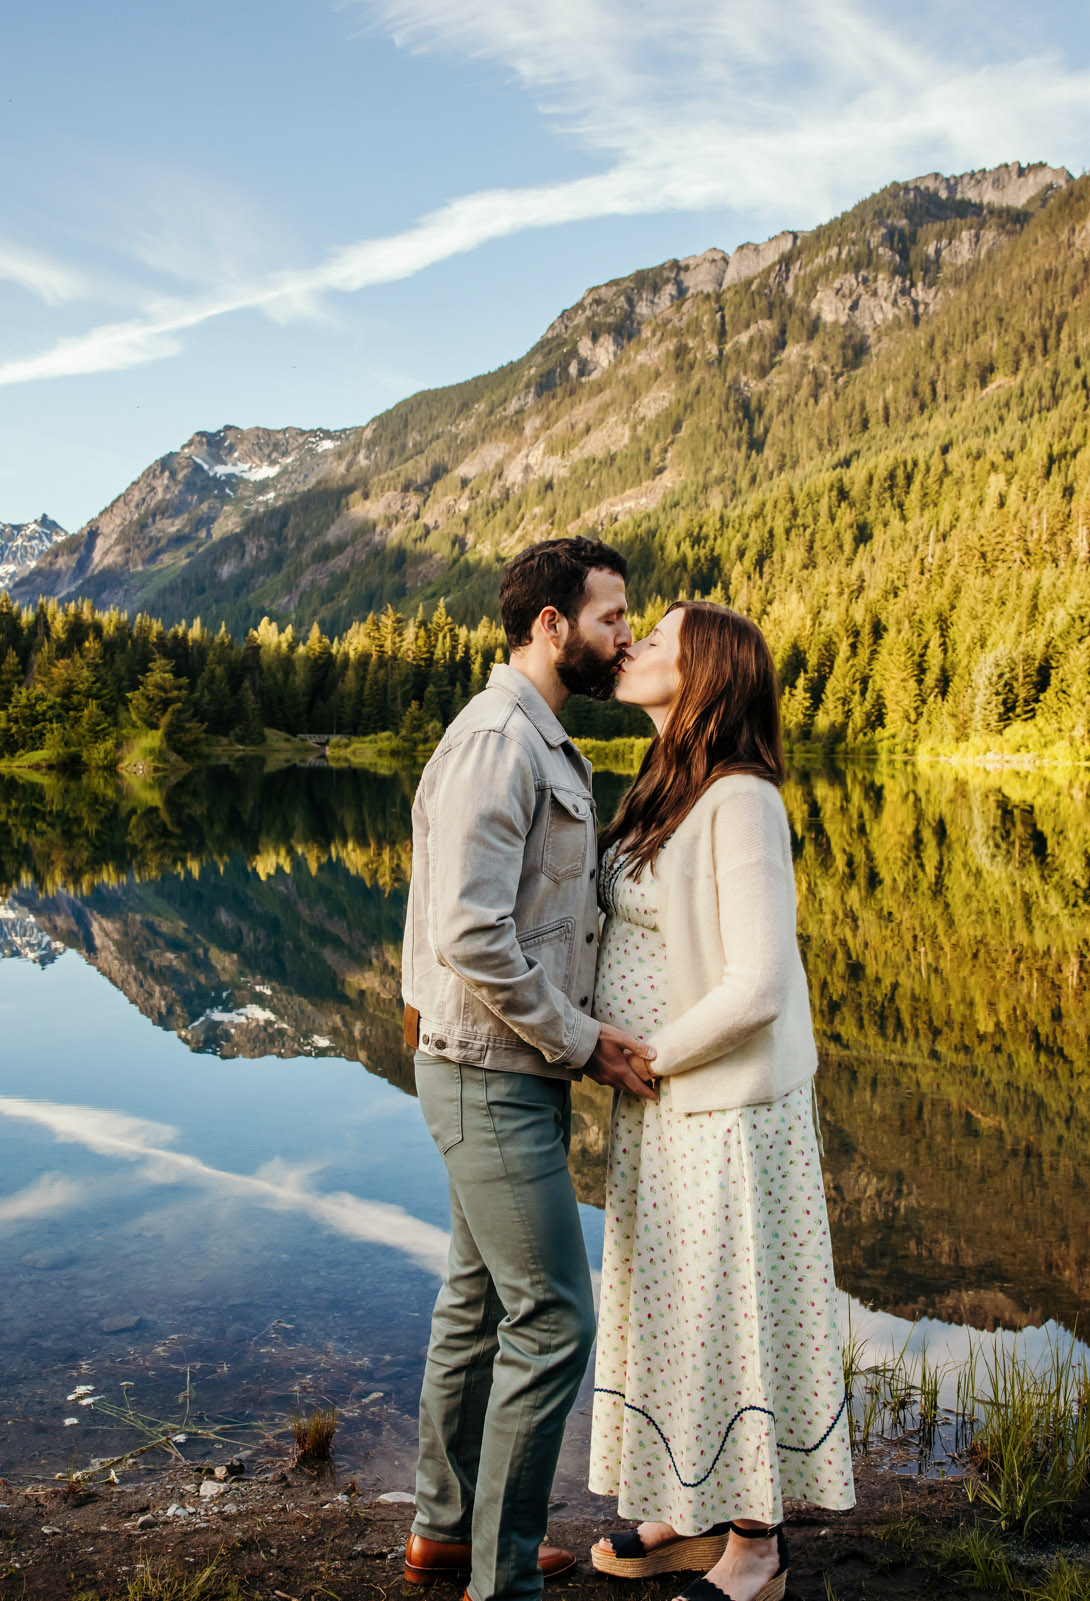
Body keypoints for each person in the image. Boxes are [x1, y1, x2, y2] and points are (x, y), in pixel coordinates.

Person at [400, 536, 663, 1601]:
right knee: (556, 1316)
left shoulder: (540, 740)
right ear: (550, 624)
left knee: (477, 1302)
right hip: (489, 1068)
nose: (625, 635)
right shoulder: (498, 741)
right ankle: (501, 1578)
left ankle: (448, 1531)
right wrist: (585, 1038)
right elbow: (469, 931)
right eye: (611, 617)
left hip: (504, 1065)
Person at [582, 602, 853, 1601]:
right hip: (661, 1108)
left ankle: (755, 1538)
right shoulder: (666, 786)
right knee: (672, 1309)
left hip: (724, 1108)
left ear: (705, 676)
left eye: (659, 639)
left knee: (733, 1309)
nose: (637, 646)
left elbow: (759, 984)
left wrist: (648, 1054)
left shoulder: (742, 800)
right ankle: (686, 1506)